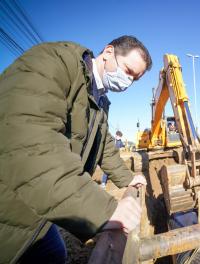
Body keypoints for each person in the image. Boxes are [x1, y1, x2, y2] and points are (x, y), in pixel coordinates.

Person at [0, 35, 152, 263]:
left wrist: (128, 178)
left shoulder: (99, 101)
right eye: (128, 71)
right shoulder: (55, 63)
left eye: (135, 80)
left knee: (53, 253)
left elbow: (105, 147)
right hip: (10, 202)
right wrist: (104, 210)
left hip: (37, 210)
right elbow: (33, 147)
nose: (128, 82)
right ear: (109, 52)